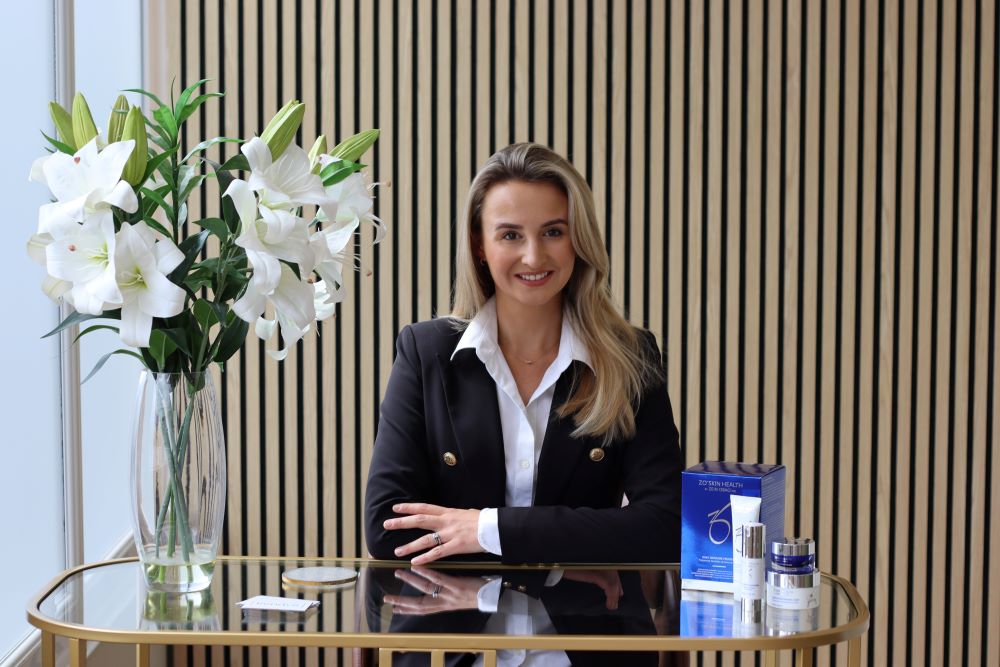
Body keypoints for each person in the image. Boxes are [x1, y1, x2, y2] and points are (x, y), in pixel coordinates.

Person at [364, 142, 682, 567]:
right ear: (479, 244)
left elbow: (664, 526)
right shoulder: (426, 354)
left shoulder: (630, 358)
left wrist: (486, 530)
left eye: (553, 231)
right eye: (510, 234)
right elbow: (388, 529)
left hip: (583, 629)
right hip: (455, 626)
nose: (534, 256)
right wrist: (589, 535)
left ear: (578, 240)